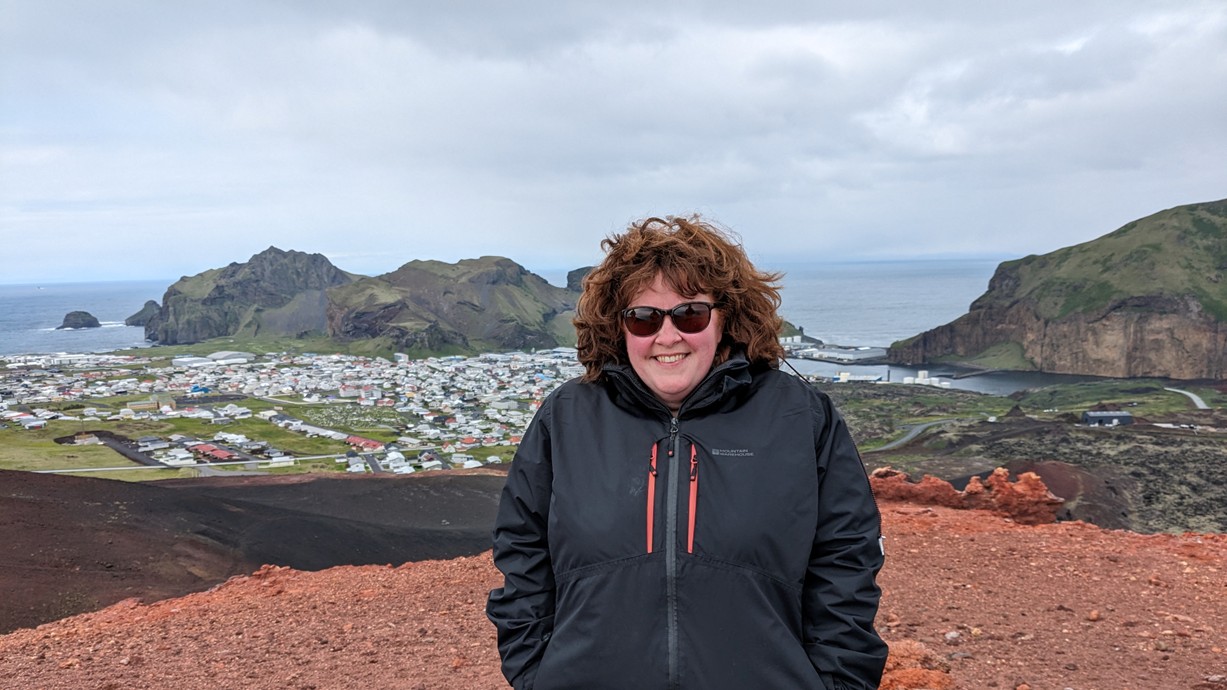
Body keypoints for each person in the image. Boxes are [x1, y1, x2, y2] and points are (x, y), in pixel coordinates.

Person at [486, 215, 887, 690]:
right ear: (619, 328)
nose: (667, 336)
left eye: (690, 314)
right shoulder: (567, 417)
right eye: (643, 318)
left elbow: (845, 559)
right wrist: (536, 671)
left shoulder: (800, 417)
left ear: (727, 319)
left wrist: (836, 682)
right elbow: (522, 547)